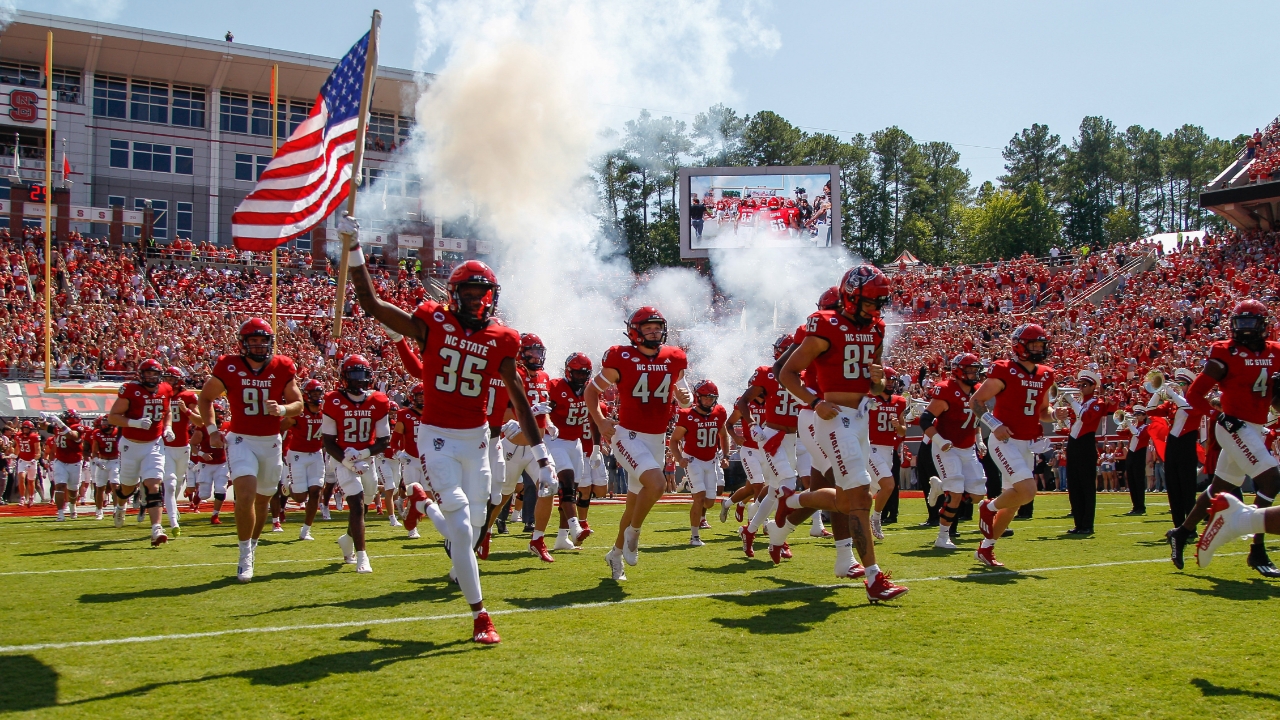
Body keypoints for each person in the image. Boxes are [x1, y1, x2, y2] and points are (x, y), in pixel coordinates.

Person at [347, 237, 544, 645]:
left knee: (469, 530)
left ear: (491, 297)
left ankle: (421, 502)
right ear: (454, 295)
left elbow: (518, 398)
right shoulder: (433, 322)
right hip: (436, 435)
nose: (475, 302)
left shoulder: (503, 339)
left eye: (482, 294)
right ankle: (481, 616)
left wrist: (541, 451)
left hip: (477, 441)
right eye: (468, 294)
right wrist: (354, 255)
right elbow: (372, 305)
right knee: (457, 517)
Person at [776, 265, 909, 602]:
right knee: (861, 495)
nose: (876, 309)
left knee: (847, 498)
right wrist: (814, 400)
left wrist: (877, 381)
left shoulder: (877, 329)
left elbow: (875, 386)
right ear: (851, 296)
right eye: (870, 301)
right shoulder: (826, 323)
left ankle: (790, 500)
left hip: (861, 415)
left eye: (880, 302)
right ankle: (874, 578)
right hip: (833, 416)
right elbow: (788, 372)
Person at [1169, 299, 1280, 577]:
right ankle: (1257, 549)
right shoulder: (1225, 352)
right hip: (1232, 425)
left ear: (1264, 326)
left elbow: (1275, 399)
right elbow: (1195, 393)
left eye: (1250, 324)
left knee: (1220, 488)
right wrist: (1216, 415)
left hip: (1254, 426)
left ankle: (1182, 532)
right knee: (1271, 478)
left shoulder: (1276, 351)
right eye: (1239, 323)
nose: (1244, 330)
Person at [586, 306, 691, 581]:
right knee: (656, 484)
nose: (655, 332)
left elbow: (685, 395)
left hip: (656, 439)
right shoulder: (621, 357)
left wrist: (683, 398)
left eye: (658, 327)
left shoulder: (674, 357)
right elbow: (591, 391)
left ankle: (615, 554)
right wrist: (599, 421)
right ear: (635, 331)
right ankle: (634, 532)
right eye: (648, 327)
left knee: (633, 504)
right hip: (627, 436)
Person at [197, 318, 303, 583]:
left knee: (263, 500)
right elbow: (206, 397)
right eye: (252, 340)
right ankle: (244, 554)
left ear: (270, 342)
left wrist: (282, 409)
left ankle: (252, 544)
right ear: (243, 343)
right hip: (241, 438)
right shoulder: (228, 365)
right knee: (244, 495)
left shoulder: (282, 366)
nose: (257, 345)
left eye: (262, 340)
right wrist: (211, 430)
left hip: (270, 441)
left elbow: (298, 404)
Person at [969, 324, 1058, 568]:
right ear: (1020, 346)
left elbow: (1042, 411)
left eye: (1042, 345)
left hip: (1026, 443)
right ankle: (988, 506)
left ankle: (985, 550)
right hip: (1004, 440)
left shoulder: (1046, 374)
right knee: (1028, 491)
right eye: (1034, 345)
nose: (1039, 349)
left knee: (1015, 503)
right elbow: (976, 401)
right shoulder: (1004, 370)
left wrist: (1057, 413)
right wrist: (993, 424)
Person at [322, 355, 391, 573]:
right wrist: (347, 461)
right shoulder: (333, 400)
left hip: (366, 458)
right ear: (344, 378)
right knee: (358, 501)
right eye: (353, 376)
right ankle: (362, 556)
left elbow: (384, 441)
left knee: (366, 501)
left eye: (362, 376)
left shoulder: (378, 400)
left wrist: (361, 453)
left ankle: (347, 538)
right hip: (341, 458)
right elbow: (328, 442)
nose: (358, 381)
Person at [920, 353, 986, 550]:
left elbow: (976, 421)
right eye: (970, 370)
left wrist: (979, 440)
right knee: (956, 493)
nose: (974, 373)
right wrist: (940, 441)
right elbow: (925, 420)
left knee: (977, 495)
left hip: (967, 448)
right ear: (958, 371)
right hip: (947, 448)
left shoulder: (979, 391)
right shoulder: (947, 390)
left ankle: (941, 487)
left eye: (976, 369)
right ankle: (942, 537)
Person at [107, 358, 174, 547]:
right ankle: (120, 505)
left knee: (153, 484)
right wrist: (134, 423)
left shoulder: (165, 389)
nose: (151, 377)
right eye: (148, 373)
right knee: (128, 487)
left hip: (153, 444)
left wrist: (167, 427)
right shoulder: (130, 389)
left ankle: (156, 529)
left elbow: (167, 411)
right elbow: (113, 417)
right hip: (131, 445)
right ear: (141, 375)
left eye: (155, 374)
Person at [546, 352, 596, 550]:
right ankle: (576, 528)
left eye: (585, 374)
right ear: (568, 372)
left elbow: (594, 419)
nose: (582, 378)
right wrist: (549, 425)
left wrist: (598, 447)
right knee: (566, 483)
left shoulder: (590, 389)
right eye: (578, 374)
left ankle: (561, 538)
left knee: (571, 491)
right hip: (555, 440)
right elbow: (545, 411)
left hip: (575, 443)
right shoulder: (556, 386)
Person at [669, 380, 729, 546]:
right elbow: (674, 441)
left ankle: (697, 491)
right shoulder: (687, 415)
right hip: (693, 460)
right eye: (706, 398)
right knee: (699, 498)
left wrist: (726, 455)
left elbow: (724, 435)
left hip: (711, 460)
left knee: (709, 502)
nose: (709, 401)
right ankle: (694, 536)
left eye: (712, 398)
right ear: (698, 397)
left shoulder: (719, 412)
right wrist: (680, 458)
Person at [1145, 369, 1205, 530]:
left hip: (1187, 445)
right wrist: (1158, 391)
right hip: (1172, 445)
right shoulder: (1171, 404)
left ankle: (1190, 528)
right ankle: (1178, 526)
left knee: (1187, 489)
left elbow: (1188, 409)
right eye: (1177, 383)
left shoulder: (1195, 400)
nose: (1178, 386)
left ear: (1189, 386)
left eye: (1181, 384)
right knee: (1173, 487)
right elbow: (1150, 410)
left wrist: (1171, 391)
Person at [1063, 369, 1115, 534]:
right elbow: (1073, 424)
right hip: (1073, 443)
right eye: (1079, 385)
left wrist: (1071, 401)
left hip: (1086, 444)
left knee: (1086, 485)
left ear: (1093, 386)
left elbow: (1086, 418)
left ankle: (1087, 524)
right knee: (1074, 485)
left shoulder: (1097, 403)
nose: (1080, 388)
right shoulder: (1080, 402)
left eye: (1084, 385)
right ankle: (1078, 523)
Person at [280, 378, 327, 541]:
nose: (316, 396)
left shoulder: (326, 412)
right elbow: (280, 428)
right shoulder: (298, 413)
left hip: (316, 454)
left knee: (315, 491)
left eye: (318, 393)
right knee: (300, 497)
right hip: (297, 454)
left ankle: (306, 529)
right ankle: (287, 485)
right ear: (306, 395)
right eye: (313, 393)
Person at [161, 366, 199, 537]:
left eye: (170, 378)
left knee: (177, 483)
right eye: (166, 377)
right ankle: (173, 522)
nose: (167, 381)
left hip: (183, 446)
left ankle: (172, 508)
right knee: (169, 484)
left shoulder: (187, 396)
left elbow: (201, 422)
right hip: (164, 446)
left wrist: (186, 410)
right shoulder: (160, 395)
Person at [46, 410, 84, 522]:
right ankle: (60, 513)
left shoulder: (78, 427)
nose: (62, 418)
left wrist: (60, 423)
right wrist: (41, 419)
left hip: (75, 462)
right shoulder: (58, 427)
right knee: (60, 486)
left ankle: (72, 506)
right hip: (60, 461)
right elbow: (45, 426)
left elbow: (72, 435)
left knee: (73, 490)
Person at [90, 415, 121, 520]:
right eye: (103, 423)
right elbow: (94, 452)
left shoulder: (118, 432)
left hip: (115, 461)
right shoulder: (97, 433)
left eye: (106, 423)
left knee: (115, 485)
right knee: (100, 487)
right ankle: (99, 511)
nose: (103, 425)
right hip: (102, 461)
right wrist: (97, 461)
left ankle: (116, 509)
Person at [14, 419, 40, 507]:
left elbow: (38, 451)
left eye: (27, 428)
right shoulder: (18, 436)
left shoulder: (34, 437)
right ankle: (22, 498)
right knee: (21, 478)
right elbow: (18, 447)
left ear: (30, 429)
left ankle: (31, 497)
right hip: (22, 460)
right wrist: (14, 455)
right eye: (24, 428)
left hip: (31, 461)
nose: (25, 430)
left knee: (31, 481)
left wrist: (34, 459)